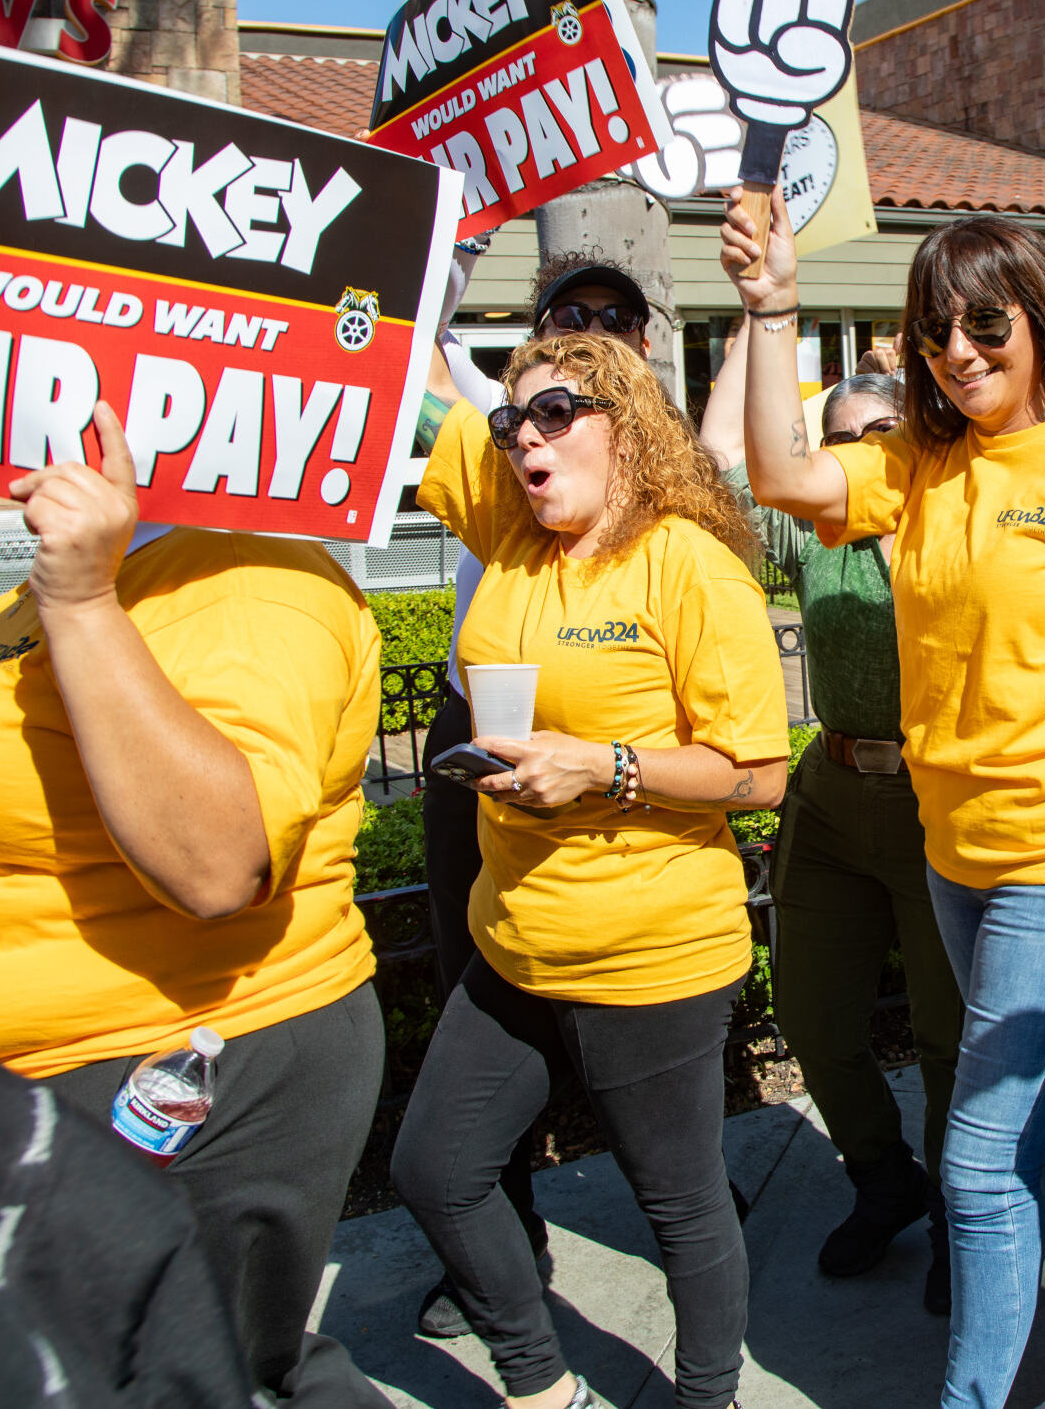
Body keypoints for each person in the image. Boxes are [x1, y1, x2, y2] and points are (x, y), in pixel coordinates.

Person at [723, 192, 1045, 1409]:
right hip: (956, 856)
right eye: (936, 330)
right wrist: (773, 305)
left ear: (1038, 316)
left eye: (987, 321)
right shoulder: (920, 460)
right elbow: (779, 468)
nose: (961, 350)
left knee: (980, 1163)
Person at [0, 403, 391, 1409]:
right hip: (39, 1080)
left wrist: (78, 599)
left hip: (179, 1062)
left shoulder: (251, 579)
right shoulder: (115, 561)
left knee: (189, 1380)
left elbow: (216, 861)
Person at [392, 329, 790, 1409]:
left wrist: (606, 768)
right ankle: (538, 1381)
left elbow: (757, 775)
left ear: (627, 427)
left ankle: (705, 1394)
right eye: (512, 420)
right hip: (512, 939)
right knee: (432, 1168)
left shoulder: (688, 565)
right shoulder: (508, 529)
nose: (528, 434)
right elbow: (414, 375)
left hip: (650, 951)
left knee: (679, 1202)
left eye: (557, 411)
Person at [416, 246, 659, 1338]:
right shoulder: (498, 427)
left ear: (648, 346)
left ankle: (682, 1195)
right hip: (486, 726)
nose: (595, 325)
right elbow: (411, 369)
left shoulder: (668, 461)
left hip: (616, 739)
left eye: (618, 314)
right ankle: (501, 1234)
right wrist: (437, 257)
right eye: (572, 312)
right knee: (479, 971)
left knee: (627, 983)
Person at [699, 329, 965, 1315]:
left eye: (881, 431)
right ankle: (881, 1174)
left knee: (946, 1036)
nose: (857, 450)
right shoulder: (813, 533)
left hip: (939, 803)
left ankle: (956, 1213)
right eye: (840, 436)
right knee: (810, 1008)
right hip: (834, 792)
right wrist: (748, 330)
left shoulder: (961, 521)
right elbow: (718, 473)